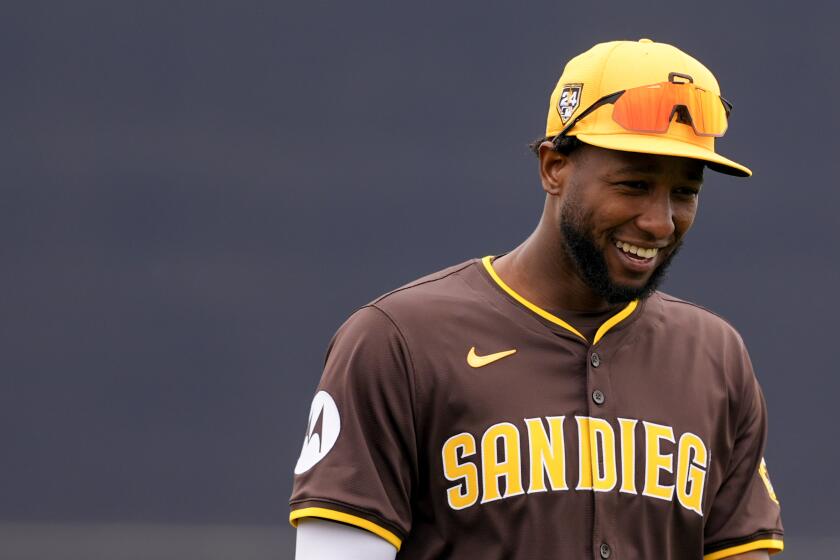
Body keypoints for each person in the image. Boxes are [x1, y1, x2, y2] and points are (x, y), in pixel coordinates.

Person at [289, 39, 784, 560]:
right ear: (553, 167)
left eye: (685, 192)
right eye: (633, 184)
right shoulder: (398, 341)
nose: (660, 221)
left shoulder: (716, 357)